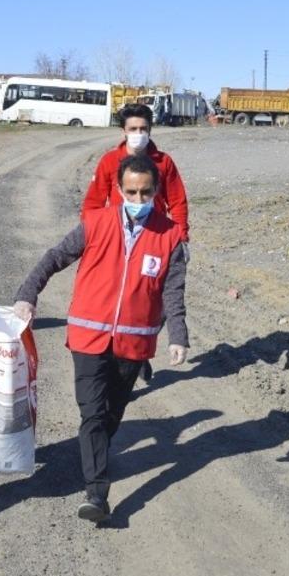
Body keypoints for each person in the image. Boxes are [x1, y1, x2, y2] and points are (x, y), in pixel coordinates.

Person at [14, 154, 189, 523]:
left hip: (134, 343)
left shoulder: (170, 235)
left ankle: (94, 452)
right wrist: (28, 294)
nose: (138, 200)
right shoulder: (94, 223)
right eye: (131, 192)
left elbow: (173, 290)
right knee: (92, 412)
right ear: (118, 189)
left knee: (112, 413)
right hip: (88, 337)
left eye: (145, 193)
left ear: (156, 192)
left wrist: (178, 335)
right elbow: (54, 258)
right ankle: (97, 492)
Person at [80, 102, 190, 383]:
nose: (138, 133)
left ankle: (140, 353)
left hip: (154, 240)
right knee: (121, 296)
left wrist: (180, 237)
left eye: (143, 129)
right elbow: (93, 202)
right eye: (133, 129)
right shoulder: (108, 161)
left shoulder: (164, 163)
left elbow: (177, 202)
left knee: (156, 303)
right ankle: (113, 351)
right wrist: (92, 234)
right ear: (123, 130)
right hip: (115, 242)